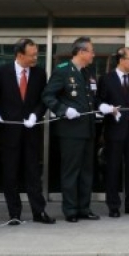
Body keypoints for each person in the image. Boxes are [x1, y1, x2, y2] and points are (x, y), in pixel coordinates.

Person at [0, 38, 54, 225]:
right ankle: (14, 213)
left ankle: (39, 212)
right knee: (10, 173)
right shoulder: (2, 72)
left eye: (36, 54)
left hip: (31, 131)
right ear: (20, 55)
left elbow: (43, 100)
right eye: (32, 55)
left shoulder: (39, 73)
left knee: (33, 173)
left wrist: (35, 116)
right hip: (9, 132)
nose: (35, 58)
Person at [42, 36, 99, 223]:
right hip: (71, 131)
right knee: (71, 171)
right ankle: (71, 209)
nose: (93, 54)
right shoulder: (63, 71)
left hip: (88, 129)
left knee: (86, 172)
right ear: (81, 52)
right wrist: (64, 110)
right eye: (91, 51)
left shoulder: (88, 72)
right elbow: (48, 96)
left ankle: (84, 207)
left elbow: (91, 98)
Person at [96, 47, 129, 218]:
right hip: (115, 129)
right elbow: (99, 101)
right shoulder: (106, 79)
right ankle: (113, 205)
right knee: (113, 168)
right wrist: (106, 108)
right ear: (121, 60)